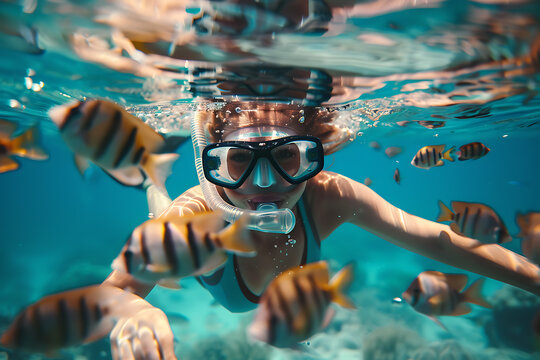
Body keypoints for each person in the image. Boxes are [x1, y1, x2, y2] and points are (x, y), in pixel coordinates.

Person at [102, 101, 540, 360]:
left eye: (286, 157)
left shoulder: (328, 195)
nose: (265, 183)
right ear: (212, 162)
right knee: (158, 210)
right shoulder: (193, 216)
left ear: (314, 156)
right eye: (238, 160)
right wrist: (137, 311)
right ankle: (150, 179)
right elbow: (116, 291)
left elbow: (437, 240)